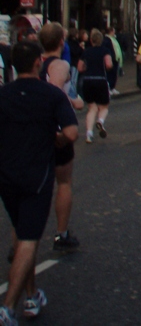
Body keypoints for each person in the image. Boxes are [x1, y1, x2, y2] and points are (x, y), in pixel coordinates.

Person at [0, 41, 78, 324]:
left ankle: (32, 297)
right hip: (37, 176)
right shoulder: (51, 95)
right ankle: (8, 306)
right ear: (38, 63)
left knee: (22, 233)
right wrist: (55, 139)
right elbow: (70, 133)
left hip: (6, 175)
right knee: (29, 239)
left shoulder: (3, 94)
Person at [38, 22, 84, 253]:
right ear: (61, 43)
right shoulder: (61, 64)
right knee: (64, 182)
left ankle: (19, 241)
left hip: (33, 129)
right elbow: (54, 93)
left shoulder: (33, 63)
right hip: (55, 130)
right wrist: (73, 104)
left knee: (30, 186)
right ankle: (61, 234)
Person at [78, 29, 113, 143]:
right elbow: (108, 64)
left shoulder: (86, 51)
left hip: (88, 81)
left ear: (91, 40)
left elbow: (80, 67)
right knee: (104, 106)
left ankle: (89, 134)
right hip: (100, 80)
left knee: (91, 108)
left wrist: (86, 69)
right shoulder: (105, 51)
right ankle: (100, 121)